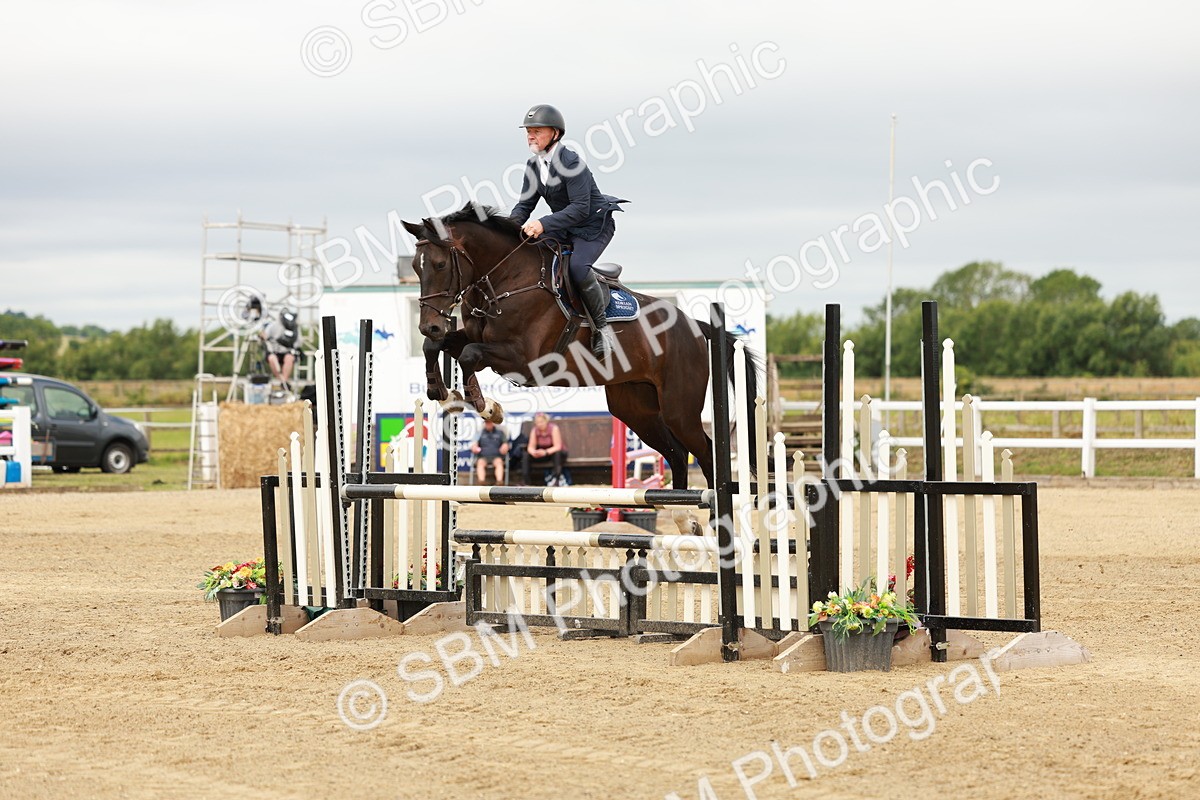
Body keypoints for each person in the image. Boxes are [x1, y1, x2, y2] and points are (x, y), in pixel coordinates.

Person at [509, 104, 627, 359]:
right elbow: (524, 205)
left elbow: (581, 208)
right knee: (531, 253)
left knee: (576, 268)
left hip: (593, 226)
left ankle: (602, 330)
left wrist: (542, 224)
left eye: (537, 131)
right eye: (528, 131)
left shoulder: (572, 163)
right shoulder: (533, 166)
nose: (530, 136)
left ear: (555, 133)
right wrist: (507, 231)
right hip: (564, 226)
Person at [248, 297, 301, 391]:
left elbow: (298, 343)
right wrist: (263, 337)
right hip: (274, 352)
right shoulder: (273, 326)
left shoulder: (294, 328)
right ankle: (284, 383)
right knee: (272, 359)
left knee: (289, 358)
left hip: (288, 352)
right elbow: (264, 336)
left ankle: (283, 383)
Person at [521, 412, 567, 486]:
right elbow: (530, 447)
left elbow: (558, 446)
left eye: (541, 422)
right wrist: (534, 452)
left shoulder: (554, 428)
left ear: (546, 421)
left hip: (553, 453)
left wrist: (545, 452)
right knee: (526, 455)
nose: (540, 424)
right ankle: (526, 481)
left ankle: (556, 479)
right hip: (541, 454)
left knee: (557, 454)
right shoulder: (534, 430)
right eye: (538, 422)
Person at [471, 419, 509, 485]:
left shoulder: (500, 433)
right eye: (486, 423)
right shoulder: (480, 433)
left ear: (493, 423)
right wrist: (474, 447)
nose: (488, 424)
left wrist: (504, 447)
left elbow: (505, 444)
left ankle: (499, 482)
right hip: (483, 456)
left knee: (499, 463)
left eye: (490, 423)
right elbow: (474, 444)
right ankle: (481, 482)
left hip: (496, 456)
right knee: (480, 463)